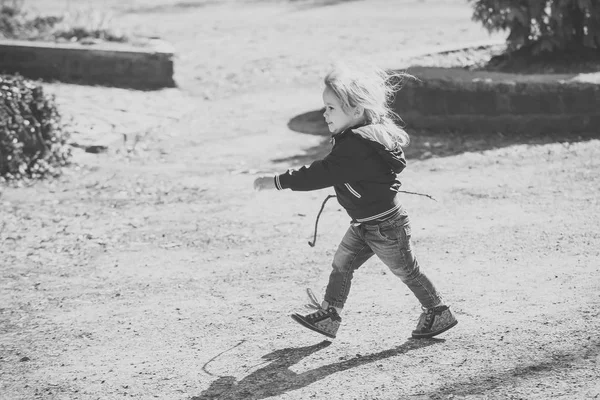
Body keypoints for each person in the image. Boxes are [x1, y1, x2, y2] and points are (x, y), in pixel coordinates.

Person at [253, 61, 457, 340]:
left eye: (331, 108)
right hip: (364, 223)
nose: (325, 114)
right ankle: (330, 314)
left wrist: (277, 181)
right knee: (342, 264)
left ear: (356, 110)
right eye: (325, 107)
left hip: (385, 226)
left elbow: (319, 174)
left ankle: (438, 310)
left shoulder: (356, 146)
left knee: (407, 271)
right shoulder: (356, 138)